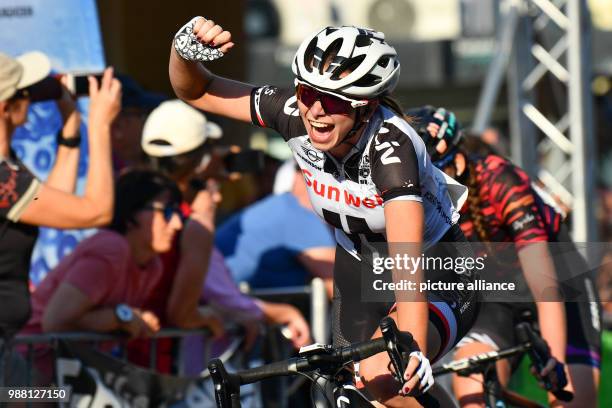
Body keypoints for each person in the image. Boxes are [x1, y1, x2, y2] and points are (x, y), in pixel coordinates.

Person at [169, 18, 479, 405]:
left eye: (332, 100)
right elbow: (197, 90)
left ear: (365, 107)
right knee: (351, 393)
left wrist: (412, 348)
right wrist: (184, 52)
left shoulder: (392, 150)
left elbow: (406, 262)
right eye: (306, 92)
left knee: (388, 374)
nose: (315, 111)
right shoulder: (291, 112)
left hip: (435, 268)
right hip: (357, 264)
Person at [410, 105, 602, 407]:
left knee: (568, 399)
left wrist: (554, 362)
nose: (429, 193)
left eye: (435, 180)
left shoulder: (500, 180)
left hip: (559, 284)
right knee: (471, 385)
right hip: (497, 296)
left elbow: (544, 284)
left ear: (457, 162)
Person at [139, 100, 311, 357]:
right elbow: (184, 311)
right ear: (204, 159)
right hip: (160, 364)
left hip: (125, 356)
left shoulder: (139, 204)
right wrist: (211, 317)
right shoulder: (191, 222)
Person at [0, 52, 119, 383]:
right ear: (5, 108)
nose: (33, 97)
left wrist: (71, 125)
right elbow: (96, 211)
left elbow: (54, 205)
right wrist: (100, 126)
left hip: (7, 348)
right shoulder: (3, 182)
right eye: (25, 91)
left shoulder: (7, 175)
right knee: (44, 396)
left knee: (46, 396)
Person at [20, 169, 183, 383]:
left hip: (65, 378)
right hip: (25, 371)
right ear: (131, 214)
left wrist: (128, 320)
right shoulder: (111, 248)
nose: (178, 224)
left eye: (179, 213)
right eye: (168, 212)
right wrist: (121, 318)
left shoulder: (153, 266)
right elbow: (55, 322)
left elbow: (83, 322)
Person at [216, 162, 335, 298]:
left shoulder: (284, 206)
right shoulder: (297, 215)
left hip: (227, 305)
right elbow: (343, 289)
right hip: (227, 309)